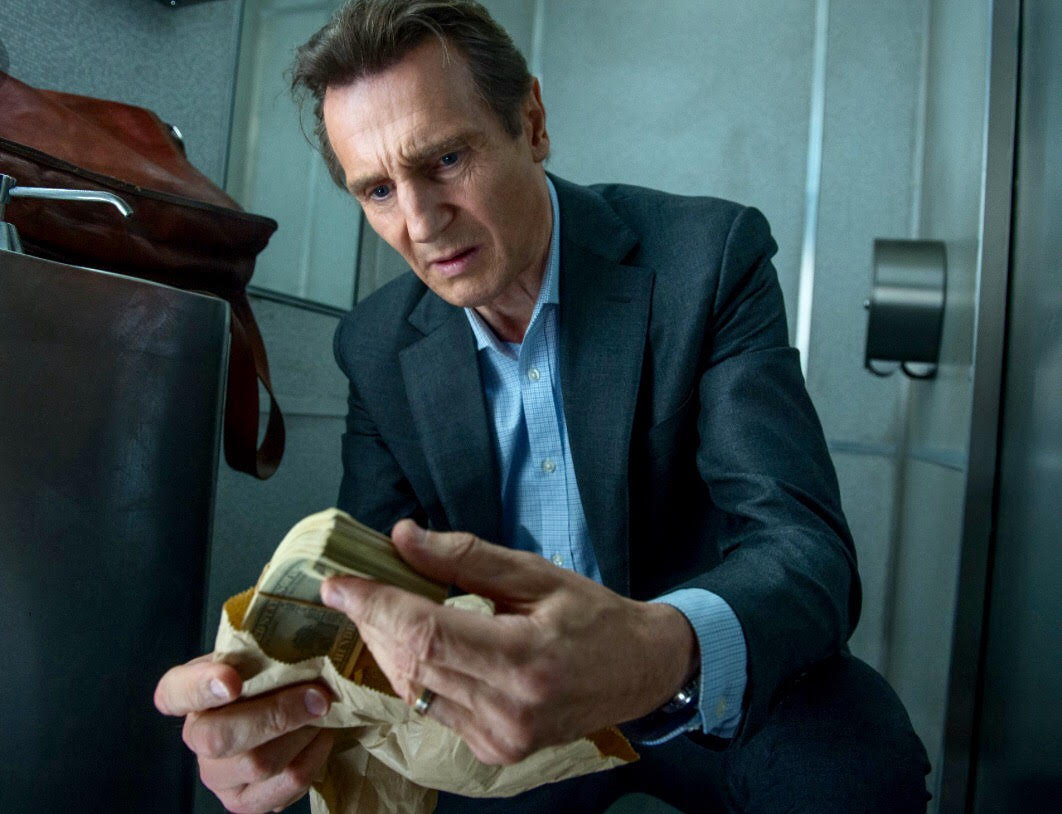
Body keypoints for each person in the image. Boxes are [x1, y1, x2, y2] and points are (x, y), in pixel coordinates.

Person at [154, 1, 931, 811]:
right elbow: (367, 581)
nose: (421, 223)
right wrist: (269, 701)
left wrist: (651, 650)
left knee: (854, 769)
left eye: (446, 159)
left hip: (693, 683)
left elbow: (804, 550)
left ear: (531, 122)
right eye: (378, 190)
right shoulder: (375, 344)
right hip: (503, 709)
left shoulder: (708, 258)